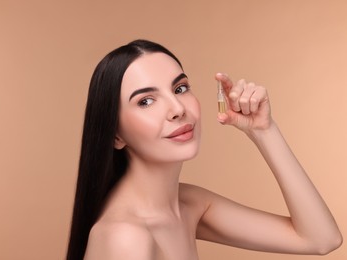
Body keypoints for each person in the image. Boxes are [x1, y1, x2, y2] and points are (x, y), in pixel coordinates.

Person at [66, 39, 342, 260]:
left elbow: (321, 239)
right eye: (146, 101)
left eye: (180, 88)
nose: (177, 109)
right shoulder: (125, 238)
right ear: (115, 135)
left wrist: (263, 131)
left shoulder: (188, 204)